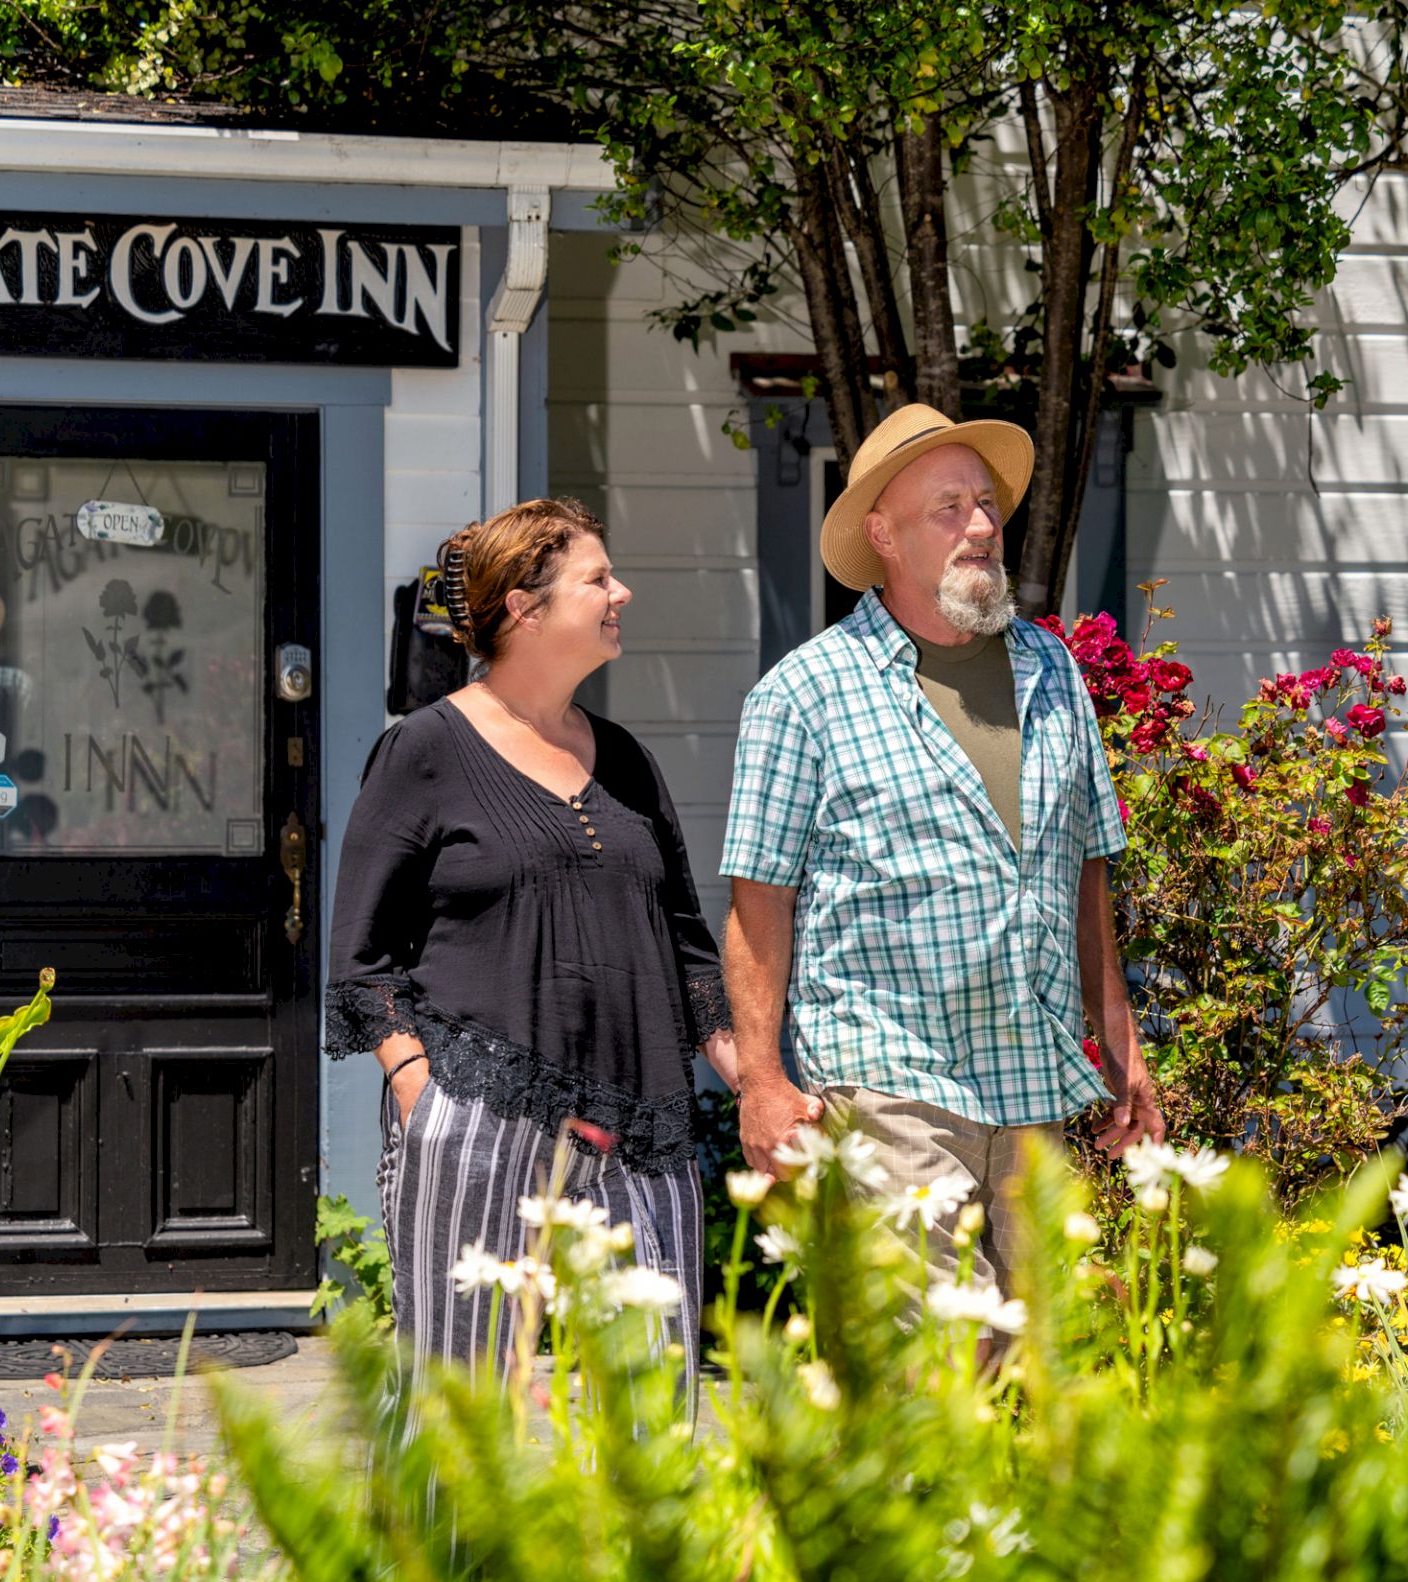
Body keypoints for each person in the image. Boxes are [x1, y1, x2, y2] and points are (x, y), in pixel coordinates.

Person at [719, 403, 1165, 1314]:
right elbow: (757, 902)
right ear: (881, 533)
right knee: (934, 1360)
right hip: (885, 1077)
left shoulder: (1052, 671)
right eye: (948, 508)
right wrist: (762, 1083)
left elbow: (1087, 874)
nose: (980, 527)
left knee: (1039, 1366)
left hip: (1028, 1072)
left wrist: (1125, 1052)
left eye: (987, 507)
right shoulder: (803, 694)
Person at [325, 497, 763, 1397]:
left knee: (653, 1411)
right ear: (525, 608)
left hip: (642, 1124)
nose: (622, 593)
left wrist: (756, 1081)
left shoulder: (627, 760)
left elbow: (687, 950)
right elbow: (360, 959)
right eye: (598, 579)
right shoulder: (423, 750)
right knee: (459, 1412)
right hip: (478, 1116)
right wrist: (425, 1097)